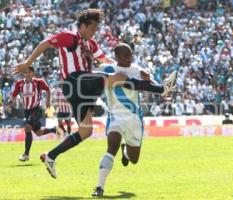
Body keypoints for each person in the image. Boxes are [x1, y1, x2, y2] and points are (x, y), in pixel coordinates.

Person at [13, 9, 176, 178]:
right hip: (74, 80)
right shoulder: (69, 36)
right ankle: (161, 89)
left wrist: (137, 71)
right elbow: (45, 44)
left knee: (86, 131)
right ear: (83, 26)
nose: (94, 33)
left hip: (81, 90)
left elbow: (107, 61)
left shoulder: (91, 44)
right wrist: (27, 63)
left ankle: (51, 156)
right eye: (92, 29)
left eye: (96, 30)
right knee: (118, 78)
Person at [92, 43, 155, 197]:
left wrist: (148, 79)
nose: (129, 58)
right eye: (126, 56)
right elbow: (92, 75)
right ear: (117, 57)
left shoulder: (137, 70)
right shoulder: (108, 70)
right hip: (116, 117)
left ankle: (125, 152)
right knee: (110, 149)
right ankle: (99, 187)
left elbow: (151, 84)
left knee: (133, 159)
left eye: (130, 55)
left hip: (135, 120)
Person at [11, 67, 62, 162]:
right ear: (24, 74)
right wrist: (13, 100)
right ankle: (54, 129)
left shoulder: (38, 82)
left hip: (36, 109)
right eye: (26, 72)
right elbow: (14, 94)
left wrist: (48, 101)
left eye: (30, 72)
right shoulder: (19, 83)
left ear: (33, 73)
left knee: (27, 127)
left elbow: (48, 89)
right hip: (27, 111)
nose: (28, 74)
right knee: (38, 133)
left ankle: (26, 154)